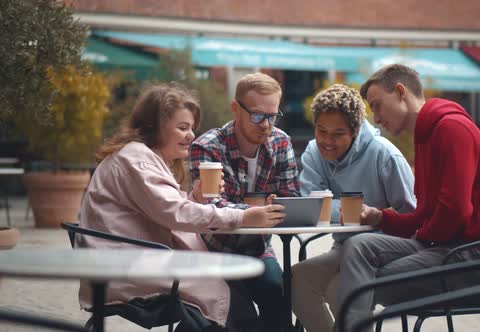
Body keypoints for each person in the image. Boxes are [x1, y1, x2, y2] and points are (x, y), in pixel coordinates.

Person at [77, 82, 285, 332]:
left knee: (235, 295)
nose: (191, 136)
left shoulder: (143, 158)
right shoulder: (136, 160)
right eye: (182, 128)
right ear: (156, 126)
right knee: (228, 298)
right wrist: (243, 217)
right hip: (128, 267)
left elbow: (164, 208)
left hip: (135, 260)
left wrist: (195, 198)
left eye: (192, 128)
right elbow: (175, 214)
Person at [336, 64, 480, 331]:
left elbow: (456, 211)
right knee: (358, 246)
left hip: (479, 261)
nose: (375, 118)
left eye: (376, 105)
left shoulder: (452, 128)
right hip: (450, 249)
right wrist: (381, 217)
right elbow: (426, 214)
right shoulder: (425, 137)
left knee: (371, 282)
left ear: (400, 92)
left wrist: (422, 237)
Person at [290, 84, 416, 332]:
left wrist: (337, 208)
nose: (327, 141)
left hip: (384, 252)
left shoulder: (386, 156)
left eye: (337, 134)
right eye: (321, 130)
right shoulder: (314, 152)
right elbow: (311, 203)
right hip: (342, 248)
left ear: (355, 130)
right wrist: (350, 210)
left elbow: (411, 216)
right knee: (296, 279)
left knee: (340, 291)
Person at [189, 73, 300, 332]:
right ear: (236, 110)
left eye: (272, 116)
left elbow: (291, 196)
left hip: (256, 248)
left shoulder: (280, 142)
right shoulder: (206, 147)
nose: (266, 125)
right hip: (212, 251)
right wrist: (256, 212)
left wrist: (281, 204)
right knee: (232, 317)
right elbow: (211, 208)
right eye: (258, 115)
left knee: (279, 295)